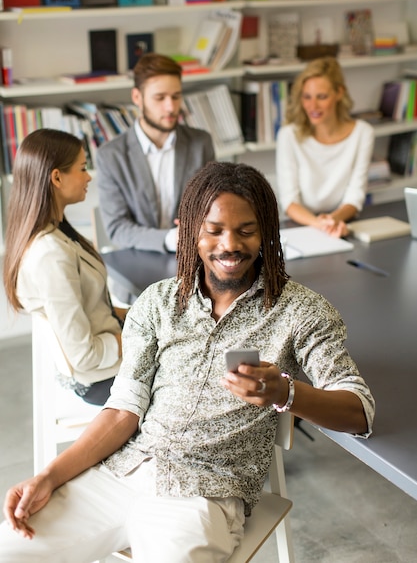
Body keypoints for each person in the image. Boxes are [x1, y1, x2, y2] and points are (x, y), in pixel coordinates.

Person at [0, 161, 375, 563]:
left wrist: (284, 392)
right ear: (189, 230)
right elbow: (122, 410)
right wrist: (48, 477)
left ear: (266, 230)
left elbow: (360, 412)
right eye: (213, 230)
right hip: (124, 473)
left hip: (203, 494)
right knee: (11, 548)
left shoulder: (301, 311)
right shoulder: (157, 302)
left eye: (246, 230)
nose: (229, 245)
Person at [3, 128, 125, 406]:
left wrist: (139, 317)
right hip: (102, 379)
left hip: (106, 360)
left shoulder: (58, 234)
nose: (89, 176)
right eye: (82, 168)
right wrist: (133, 338)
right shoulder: (50, 255)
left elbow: (92, 306)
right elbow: (84, 354)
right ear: (56, 177)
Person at [96, 52, 215, 254]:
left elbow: (211, 205)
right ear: (137, 97)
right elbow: (117, 228)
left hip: (194, 258)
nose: (171, 107)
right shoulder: (111, 155)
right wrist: (170, 239)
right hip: (137, 261)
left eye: (176, 96)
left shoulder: (200, 142)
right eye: (160, 98)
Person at [276, 57, 374, 238]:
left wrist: (334, 220)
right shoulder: (288, 135)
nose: (312, 106)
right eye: (307, 97)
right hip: (301, 226)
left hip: (342, 223)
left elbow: (355, 195)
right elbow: (289, 202)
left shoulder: (363, 133)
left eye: (321, 97)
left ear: (339, 93)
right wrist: (321, 224)